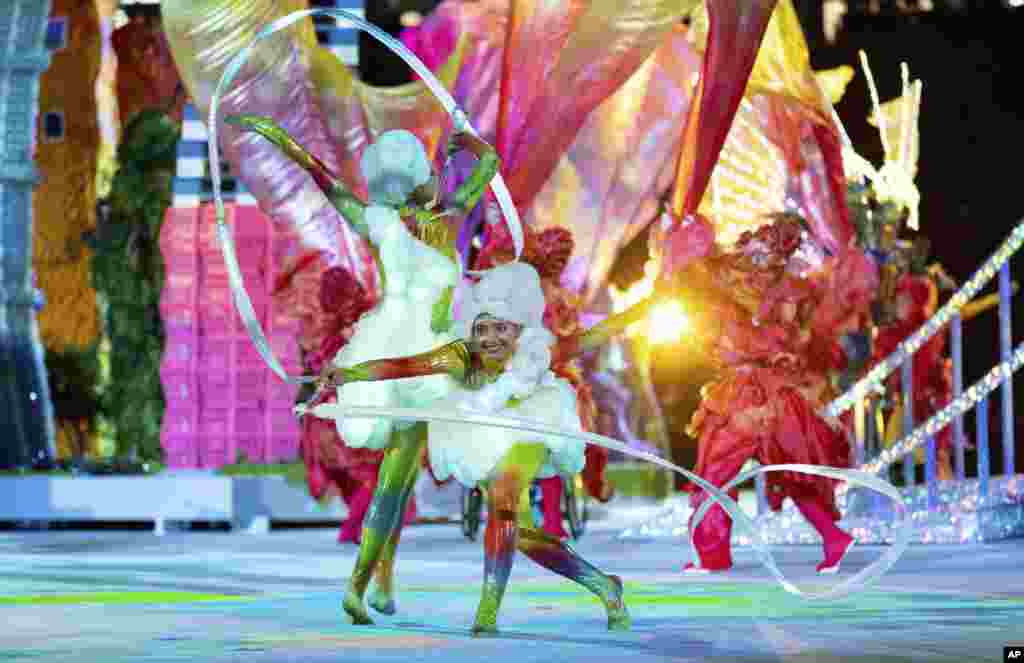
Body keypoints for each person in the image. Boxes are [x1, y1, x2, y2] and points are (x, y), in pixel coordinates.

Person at [228, 112, 499, 614]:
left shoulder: (383, 225)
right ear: (419, 183)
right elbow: (491, 166)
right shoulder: (447, 218)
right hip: (419, 360)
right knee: (396, 480)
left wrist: (285, 139)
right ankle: (360, 585)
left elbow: (324, 180)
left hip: (401, 347)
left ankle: (380, 584)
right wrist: (470, 144)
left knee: (397, 478)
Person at [313, 261, 657, 633]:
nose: (490, 338)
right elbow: (404, 366)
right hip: (485, 435)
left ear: (519, 330)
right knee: (523, 536)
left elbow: (598, 333)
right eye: (482, 329)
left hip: (532, 427)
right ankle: (604, 585)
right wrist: (351, 373)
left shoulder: (537, 353)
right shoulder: (460, 357)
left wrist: (651, 303)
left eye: (501, 329)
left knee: (504, 495)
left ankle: (487, 613)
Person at [657, 212, 859, 575]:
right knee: (782, 474)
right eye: (750, 255)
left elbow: (774, 342)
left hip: (749, 399)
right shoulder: (748, 296)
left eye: (759, 257)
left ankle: (714, 554)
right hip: (762, 397)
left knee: (723, 474)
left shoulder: (769, 298)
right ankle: (830, 538)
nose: (749, 264)